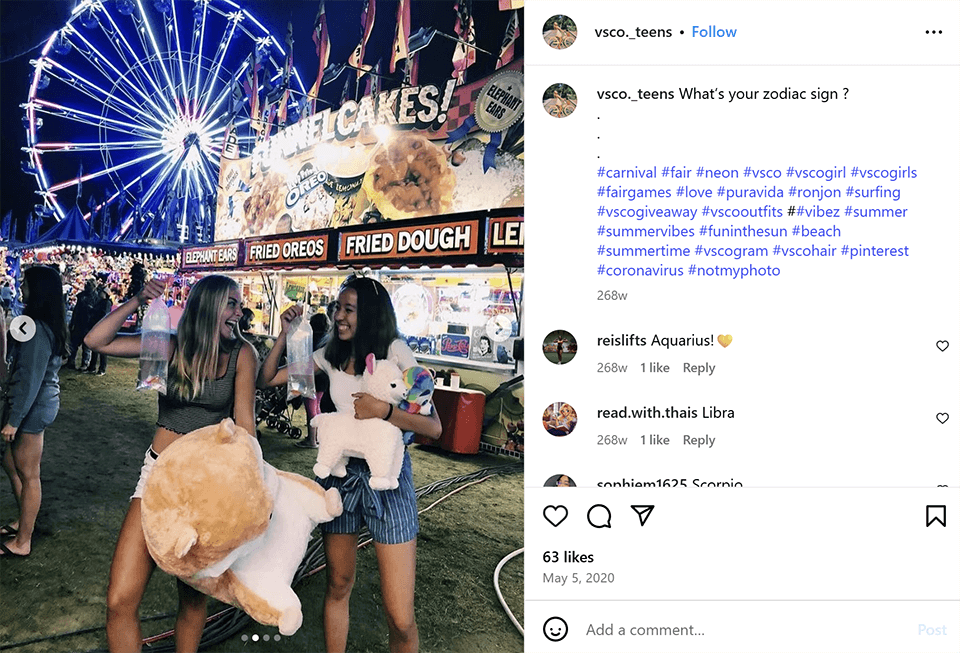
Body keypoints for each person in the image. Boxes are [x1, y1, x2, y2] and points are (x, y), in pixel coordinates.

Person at [258, 276, 441, 653]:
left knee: (400, 615)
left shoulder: (396, 352)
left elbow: (433, 426)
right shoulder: (331, 354)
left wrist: (384, 410)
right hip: (339, 477)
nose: (338, 316)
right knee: (338, 585)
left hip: (387, 478)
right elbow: (269, 379)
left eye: (348, 309)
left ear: (370, 314)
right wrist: (284, 335)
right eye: (337, 308)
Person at [85, 274, 257, 652]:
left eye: (239, 304)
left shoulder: (242, 355)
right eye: (231, 303)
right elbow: (96, 341)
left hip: (206, 487)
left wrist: (249, 492)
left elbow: (246, 428)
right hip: (158, 476)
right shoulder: (169, 345)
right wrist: (136, 301)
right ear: (208, 306)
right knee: (120, 599)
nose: (239, 312)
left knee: (193, 601)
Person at [1, 266, 70, 557]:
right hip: (34, 403)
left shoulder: (37, 329)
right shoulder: (41, 324)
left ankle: (23, 541)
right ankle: (24, 523)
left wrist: (14, 421)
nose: (20, 285)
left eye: (25, 282)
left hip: (33, 407)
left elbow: (30, 379)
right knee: (13, 464)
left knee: (29, 474)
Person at [294, 312, 333, 449]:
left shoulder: (309, 339)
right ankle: (317, 437)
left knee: (311, 410)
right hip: (323, 379)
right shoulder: (328, 339)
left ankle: (311, 440)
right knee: (317, 408)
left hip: (309, 378)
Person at [84, 287, 113, 375]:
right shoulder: (100, 302)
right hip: (96, 326)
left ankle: (102, 369)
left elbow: (104, 314)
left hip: (102, 328)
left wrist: (93, 310)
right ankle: (92, 367)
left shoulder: (106, 303)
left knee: (102, 350)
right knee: (95, 349)